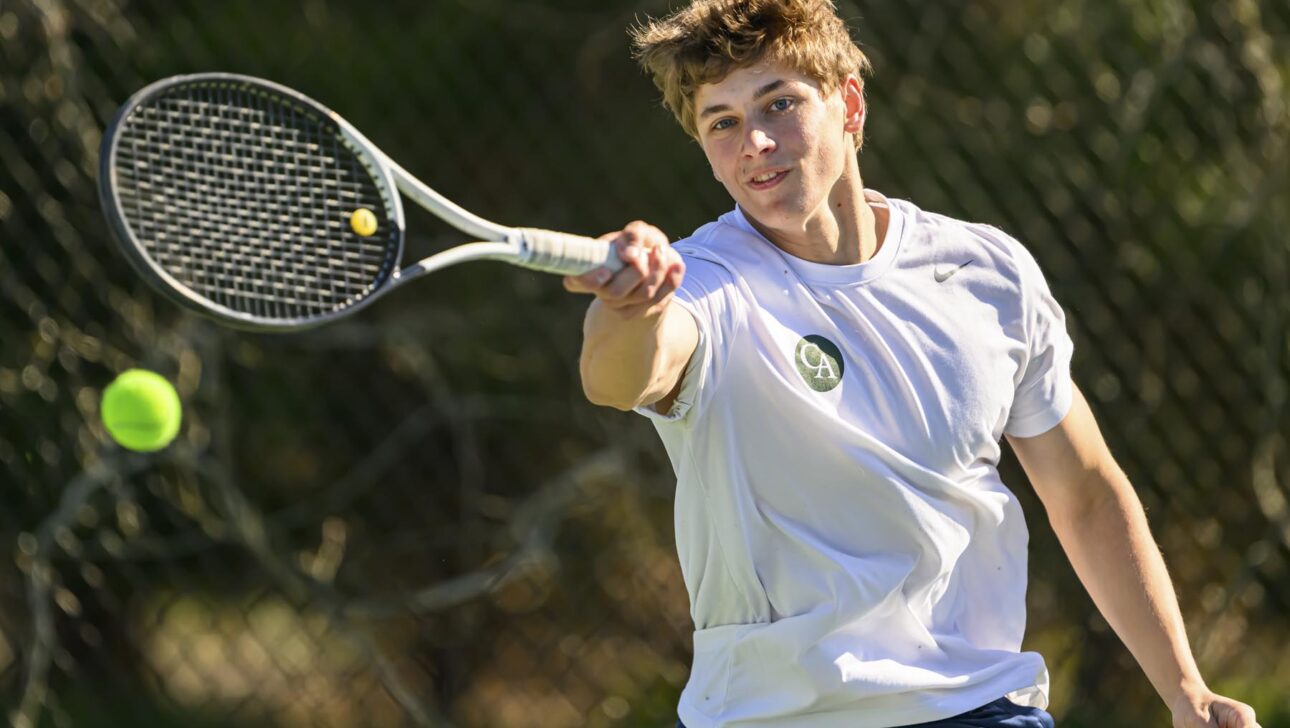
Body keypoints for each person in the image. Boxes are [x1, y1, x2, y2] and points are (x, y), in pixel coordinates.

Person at [564, 1, 1261, 726]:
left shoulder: (988, 272)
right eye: (724, 122)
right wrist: (630, 309)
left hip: (982, 706)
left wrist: (1186, 688)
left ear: (850, 105)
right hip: (765, 713)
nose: (757, 141)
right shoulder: (704, 281)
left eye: (780, 104)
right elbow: (618, 380)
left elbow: (1083, 491)